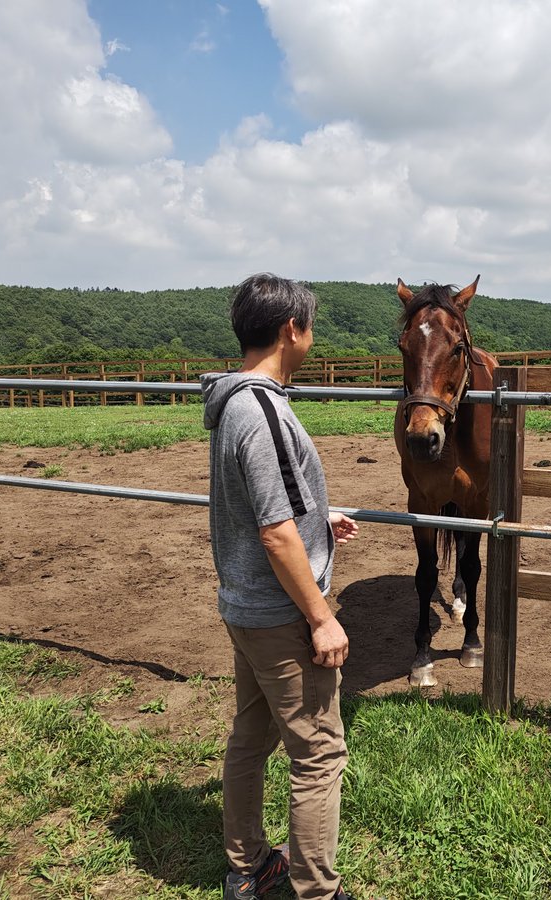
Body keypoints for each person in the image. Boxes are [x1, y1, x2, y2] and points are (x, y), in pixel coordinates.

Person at [202, 273, 361, 900]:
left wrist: (319, 520)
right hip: (280, 614)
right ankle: (315, 892)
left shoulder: (233, 403)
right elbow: (274, 534)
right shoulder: (263, 410)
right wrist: (321, 616)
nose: (312, 338)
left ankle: (246, 868)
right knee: (319, 755)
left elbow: (266, 508)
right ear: (291, 329)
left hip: (244, 606)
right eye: (310, 326)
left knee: (251, 737)